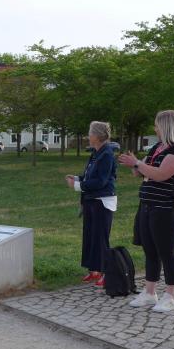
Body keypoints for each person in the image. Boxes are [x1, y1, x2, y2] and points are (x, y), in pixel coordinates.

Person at [119, 110, 174, 312]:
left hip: (166, 208)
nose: (155, 128)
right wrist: (135, 164)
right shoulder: (157, 147)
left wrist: (138, 164)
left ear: (167, 126)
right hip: (147, 205)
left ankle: (171, 295)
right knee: (149, 250)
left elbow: (160, 175)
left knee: (166, 252)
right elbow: (140, 172)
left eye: (157, 125)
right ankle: (150, 292)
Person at [64, 121, 117, 287]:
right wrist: (77, 178)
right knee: (90, 236)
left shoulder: (107, 154)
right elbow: (89, 176)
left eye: (90, 133)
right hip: (90, 200)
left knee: (100, 238)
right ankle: (94, 270)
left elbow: (101, 181)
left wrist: (77, 185)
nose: (88, 136)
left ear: (97, 135)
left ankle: (106, 272)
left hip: (102, 201)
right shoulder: (95, 153)